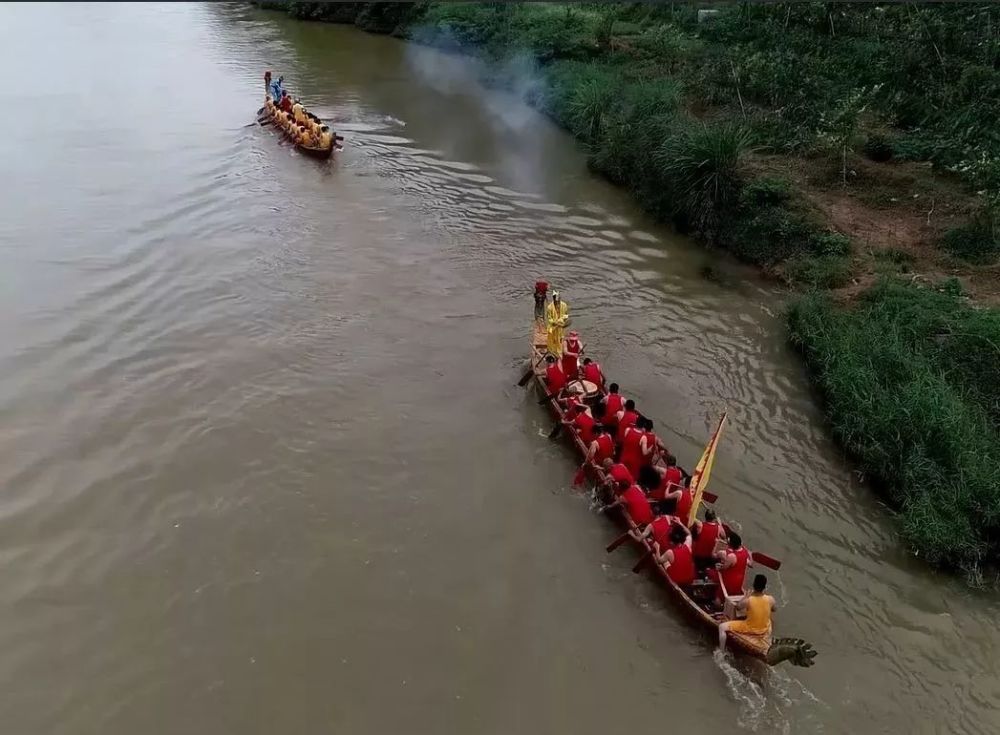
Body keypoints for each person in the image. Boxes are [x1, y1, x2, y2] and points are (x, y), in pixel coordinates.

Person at [719, 574, 775, 649]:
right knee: (770, 619)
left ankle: (721, 650)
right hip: (764, 628)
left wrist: (746, 596)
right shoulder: (770, 599)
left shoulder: (749, 600)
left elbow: (738, 607)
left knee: (722, 627)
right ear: (764, 587)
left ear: (753, 585)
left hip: (749, 628)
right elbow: (774, 609)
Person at [710, 531, 752, 600]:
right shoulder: (745, 552)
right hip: (739, 581)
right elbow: (750, 564)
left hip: (728, 581)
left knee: (718, 598)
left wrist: (719, 567)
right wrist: (750, 554)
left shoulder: (731, 556)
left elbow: (723, 568)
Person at [655, 523, 696, 587]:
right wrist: (680, 523)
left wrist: (657, 548)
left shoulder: (670, 552)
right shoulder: (687, 545)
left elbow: (658, 561)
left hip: (677, 580)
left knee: (665, 561)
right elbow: (689, 534)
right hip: (690, 578)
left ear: (672, 541)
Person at [545, 291, 569, 356]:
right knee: (552, 341)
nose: (557, 302)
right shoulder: (549, 307)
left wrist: (560, 320)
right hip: (552, 327)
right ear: (553, 299)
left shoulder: (564, 305)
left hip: (560, 326)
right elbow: (549, 318)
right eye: (556, 301)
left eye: (558, 300)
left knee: (560, 339)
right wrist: (554, 322)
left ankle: (559, 353)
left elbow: (566, 315)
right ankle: (552, 352)